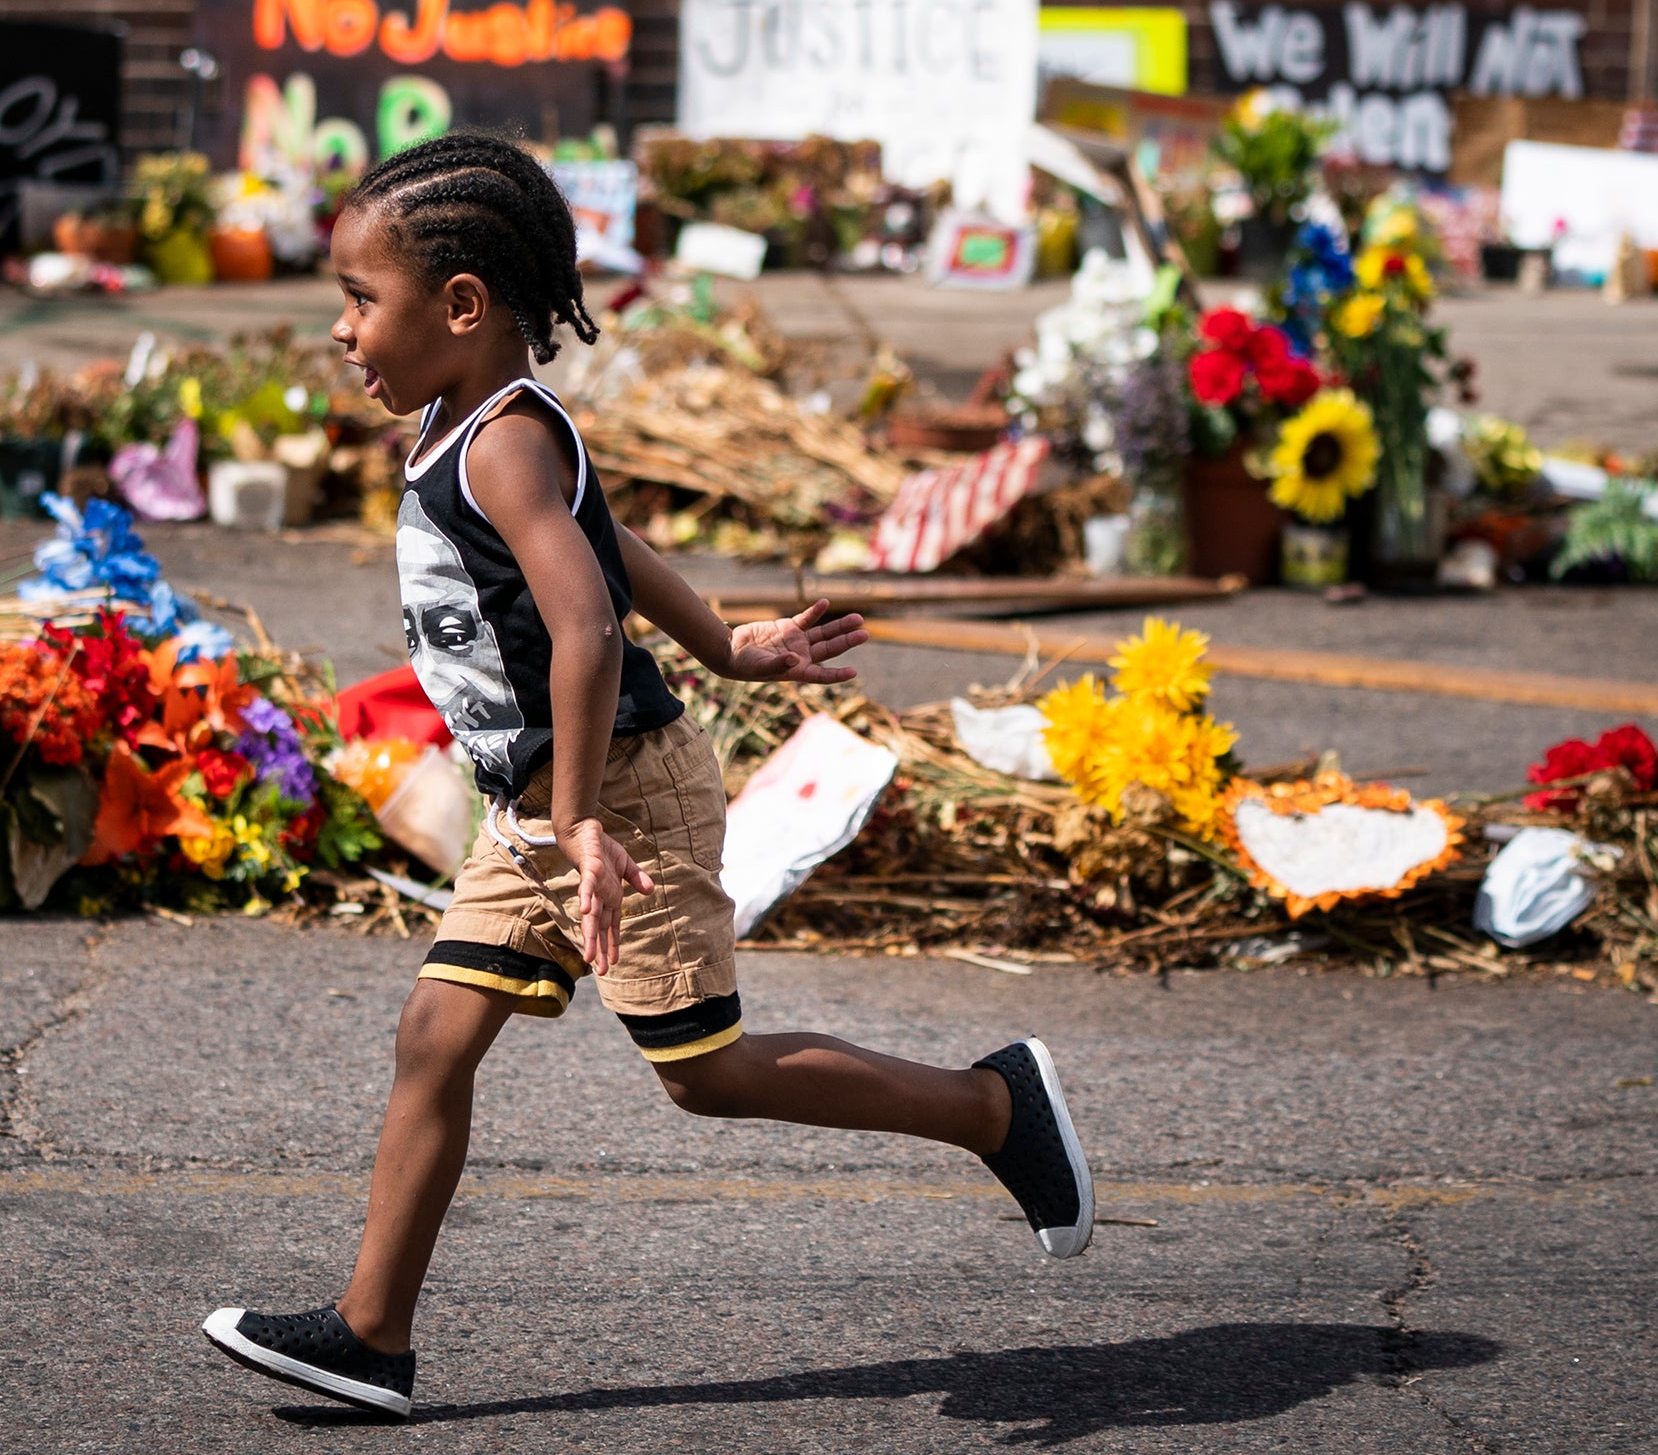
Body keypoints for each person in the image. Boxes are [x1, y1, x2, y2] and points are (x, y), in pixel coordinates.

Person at [201, 135, 1093, 1419]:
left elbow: (584, 623)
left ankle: (993, 1110)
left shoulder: (501, 442)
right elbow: (606, 540)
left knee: (706, 1071)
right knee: (435, 1036)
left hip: (610, 798)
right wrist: (729, 643)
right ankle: (371, 1336)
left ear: (460, 307)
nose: (342, 331)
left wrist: (574, 818)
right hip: (540, 805)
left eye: (359, 300)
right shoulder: (471, 424)